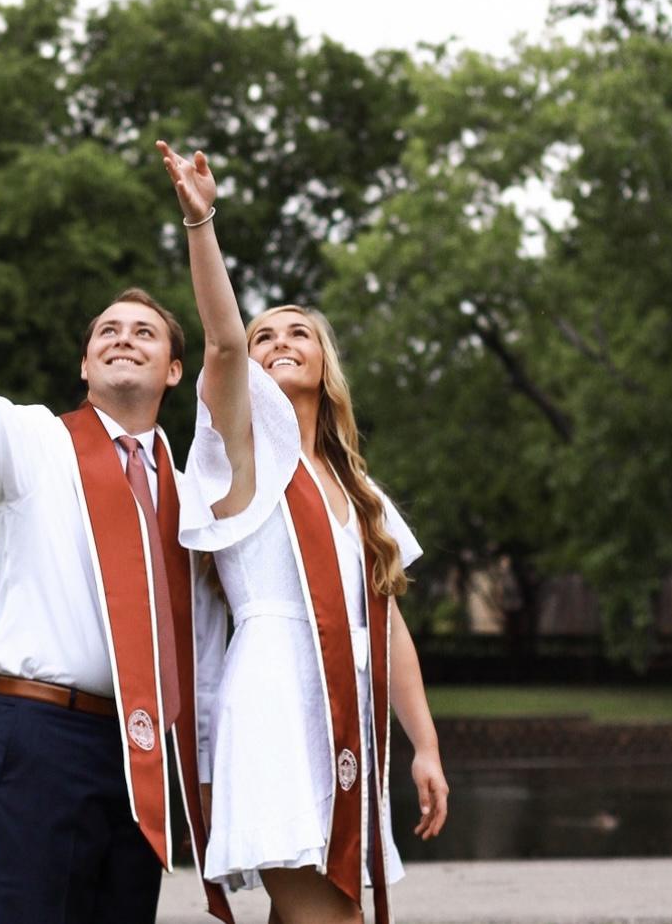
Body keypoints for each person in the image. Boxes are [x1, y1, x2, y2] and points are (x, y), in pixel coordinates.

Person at [0, 184, 233, 924]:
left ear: (174, 371)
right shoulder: (32, 444)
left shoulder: (194, 499)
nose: (124, 338)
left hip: (140, 743)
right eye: (107, 332)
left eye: (145, 333)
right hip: (40, 734)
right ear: (85, 367)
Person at [156, 142, 449, 924]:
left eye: (299, 334)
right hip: (277, 698)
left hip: (348, 706)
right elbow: (218, 338)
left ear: (327, 362)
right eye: (266, 337)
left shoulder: (359, 488)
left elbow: (386, 624)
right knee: (333, 918)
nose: (280, 342)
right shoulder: (247, 454)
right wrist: (201, 221)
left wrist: (423, 743)